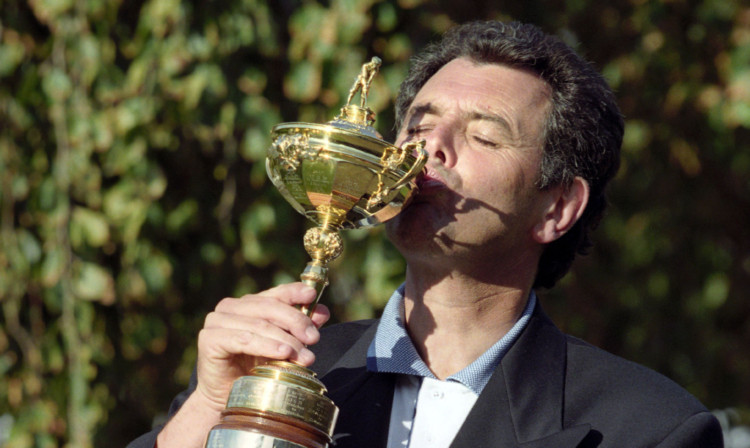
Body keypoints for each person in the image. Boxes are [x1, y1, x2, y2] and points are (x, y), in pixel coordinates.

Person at [129, 21, 723, 448]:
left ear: (557, 208)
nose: (429, 147)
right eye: (419, 123)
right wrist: (210, 406)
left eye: (485, 136)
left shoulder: (649, 427)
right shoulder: (279, 368)